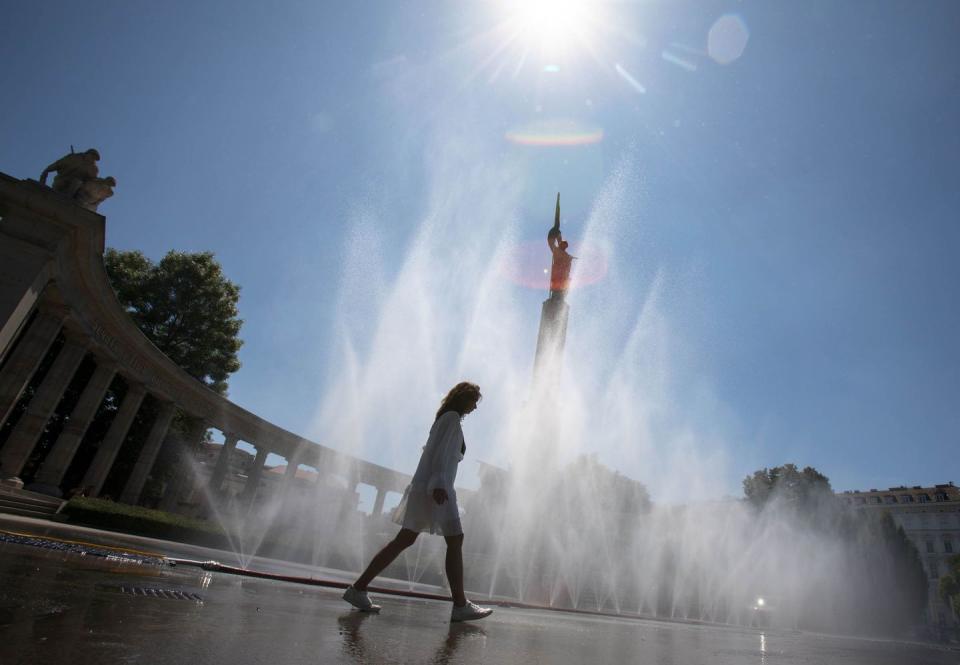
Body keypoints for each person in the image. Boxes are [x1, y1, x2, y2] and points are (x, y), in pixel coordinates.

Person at [342, 382, 493, 623]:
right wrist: (440, 486)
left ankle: (358, 589)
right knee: (455, 539)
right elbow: (441, 455)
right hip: (437, 489)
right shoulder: (452, 418)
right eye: (474, 400)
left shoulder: (444, 418)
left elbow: (434, 452)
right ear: (463, 398)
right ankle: (460, 605)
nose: (476, 406)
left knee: (404, 539)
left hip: (428, 488)